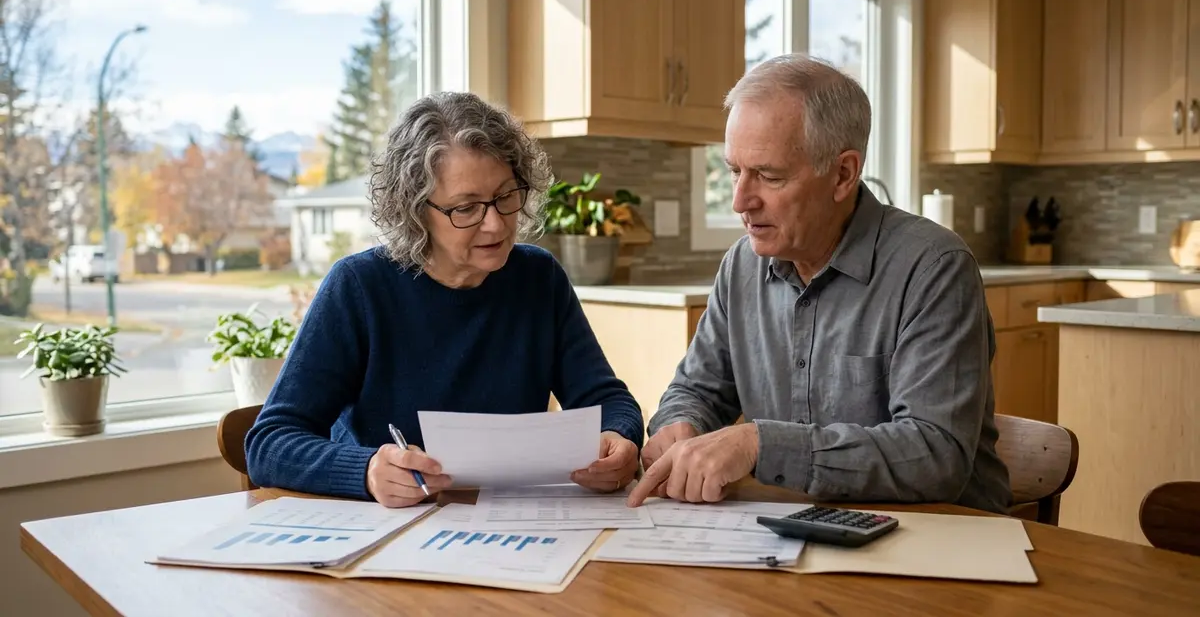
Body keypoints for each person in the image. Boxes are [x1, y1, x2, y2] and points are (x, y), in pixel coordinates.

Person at [626, 54, 1012, 514]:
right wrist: (681, 424)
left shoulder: (934, 268)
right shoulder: (741, 266)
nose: (740, 201)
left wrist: (760, 444)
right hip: (796, 527)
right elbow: (696, 391)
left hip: (944, 535)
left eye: (769, 176)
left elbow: (936, 454)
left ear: (843, 174)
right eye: (734, 171)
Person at [246, 91, 644, 507]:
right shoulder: (359, 287)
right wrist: (365, 471)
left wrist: (619, 438)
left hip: (510, 522)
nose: (496, 224)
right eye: (466, 208)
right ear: (416, 211)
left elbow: (609, 402)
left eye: (506, 196)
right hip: (390, 528)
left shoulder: (539, 278)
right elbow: (269, 443)